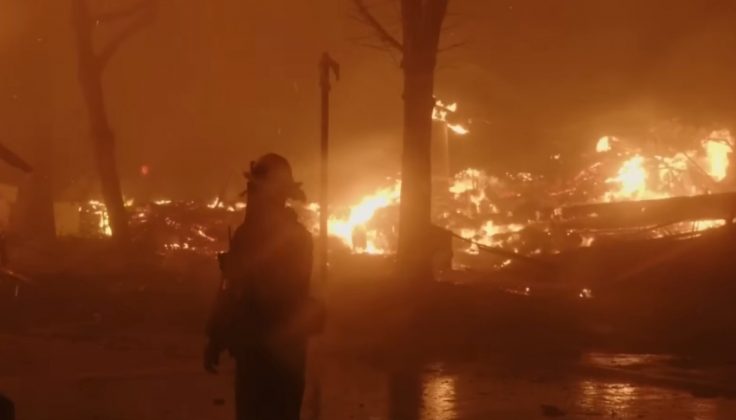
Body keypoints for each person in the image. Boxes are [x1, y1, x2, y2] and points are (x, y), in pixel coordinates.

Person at [204, 153, 319, 420]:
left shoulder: (292, 239)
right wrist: (216, 335)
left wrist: (218, 335)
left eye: (257, 191)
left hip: (275, 353)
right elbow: (230, 289)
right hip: (269, 353)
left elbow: (276, 293)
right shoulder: (260, 236)